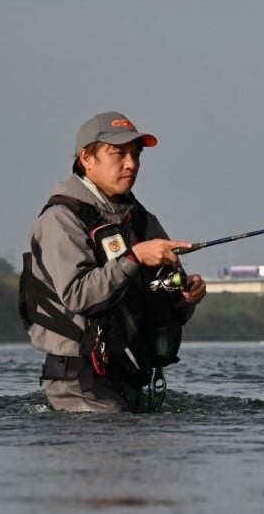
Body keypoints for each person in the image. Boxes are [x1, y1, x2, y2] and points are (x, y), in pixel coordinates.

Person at [19, 112, 206, 412]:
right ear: (86, 158)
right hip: (78, 381)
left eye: (136, 154)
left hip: (129, 374)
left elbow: (174, 308)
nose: (131, 164)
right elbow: (78, 295)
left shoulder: (142, 220)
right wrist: (135, 257)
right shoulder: (59, 220)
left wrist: (188, 294)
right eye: (119, 153)